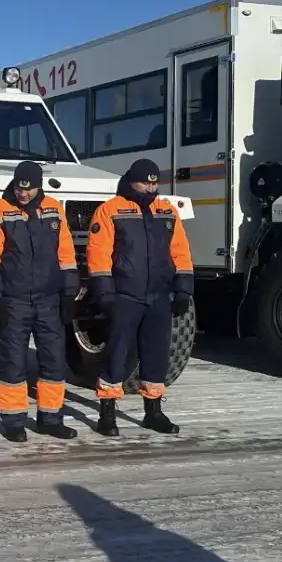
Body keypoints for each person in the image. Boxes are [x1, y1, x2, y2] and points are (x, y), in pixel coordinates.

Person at [84, 158, 193, 437]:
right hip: (125, 294)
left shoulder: (166, 211)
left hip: (159, 295)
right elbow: (99, 253)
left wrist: (183, 289)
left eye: (155, 182)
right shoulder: (110, 211)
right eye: (146, 181)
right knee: (117, 354)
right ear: (132, 181)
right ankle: (107, 413)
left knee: (157, 355)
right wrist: (104, 291)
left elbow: (179, 251)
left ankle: (153, 412)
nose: (151, 186)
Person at [0, 160, 80, 442]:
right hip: (15, 299)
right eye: (20, 188)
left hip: (49, 300)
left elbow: (66, 253)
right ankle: (13, 422)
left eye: (29, 189)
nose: (23, 194)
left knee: (54, 361)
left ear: (38, 186)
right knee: (13, 362)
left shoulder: (54, 209)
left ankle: (50, 419)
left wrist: (70, 293)